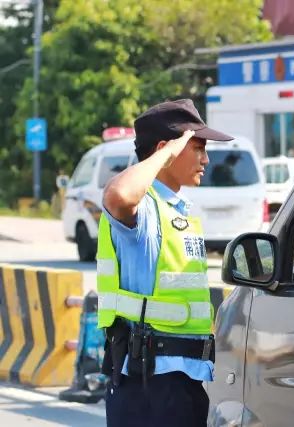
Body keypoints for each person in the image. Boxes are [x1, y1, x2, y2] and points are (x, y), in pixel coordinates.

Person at [97, 99, 233, 427]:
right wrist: (164, 156)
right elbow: (117, 196)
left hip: (180, 381)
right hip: (149, 385)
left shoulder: (176, 209)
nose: (206, 158)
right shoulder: (144, 208)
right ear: (166, 149)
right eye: (197, 147)